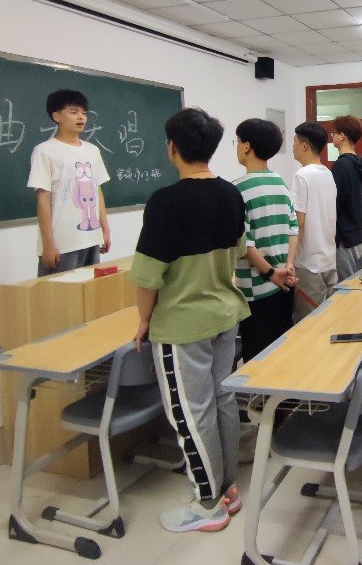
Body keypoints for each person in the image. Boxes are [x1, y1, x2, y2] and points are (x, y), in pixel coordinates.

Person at [129, 108, 247, 532]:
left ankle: (207, 503)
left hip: (182, 323)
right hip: (225, 313)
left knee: (191, 413)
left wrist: (144, 320)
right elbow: (238, 251)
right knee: (222, 402)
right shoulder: (231, 194)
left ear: (172, 148)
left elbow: (147, 275)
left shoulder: (166, 202)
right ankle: (227, 488)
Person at [233, 118, 299, 360]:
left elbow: (244, 243)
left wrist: (270, 272)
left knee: (257, 358)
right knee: (281, 350)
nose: (237, 147)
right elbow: (293, 228)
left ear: (247, 146)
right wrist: (288, 265)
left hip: (256, 288)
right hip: (285, 283)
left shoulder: (238, 189)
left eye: (237, 141)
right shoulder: (279, 182)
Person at [28, 89, 111, 276]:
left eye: (83, 113)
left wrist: (105, 230)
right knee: (58, 292)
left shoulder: (93, 150)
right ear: (56, 116)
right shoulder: (45, 151)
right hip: (62, 243)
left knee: (89, 291)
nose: (81, 117)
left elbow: (97, 191)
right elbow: (43, 199)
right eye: (74, 112)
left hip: (91, 238)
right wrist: (48, 244)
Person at [291, 122, 338, 320]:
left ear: (304, 146)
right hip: (328, 258)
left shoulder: (302, 176)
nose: (292, 146)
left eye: (294, 141)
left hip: (308, 262)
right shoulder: (328, 173)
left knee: (307, 322)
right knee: (327, 318)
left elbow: (298, 222)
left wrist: (289, 260)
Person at [330, 115, 362, 279]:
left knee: (346, 287)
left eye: (334, 133)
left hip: (347, 239)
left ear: (342, 136)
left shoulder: (341, 165)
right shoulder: (359, 162)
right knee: (359, 285)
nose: (331, 136)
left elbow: (334, 203)